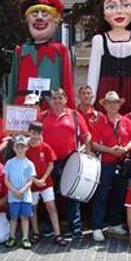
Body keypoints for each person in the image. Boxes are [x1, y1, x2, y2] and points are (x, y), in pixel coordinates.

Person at [86, 0, 131, 114]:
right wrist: (90, 102)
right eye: (111, 7)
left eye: (126, 5)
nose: (119, 11)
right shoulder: (99, 40)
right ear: (104, 14)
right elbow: (93, 75)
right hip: (107, 91)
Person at [38, 87, 91, 239]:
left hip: (70, 160)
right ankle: (50, 225)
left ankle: (75, 227)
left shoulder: (75, 115)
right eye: (55, 98)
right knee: (50, 195)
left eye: (61, 97)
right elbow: (34, 136)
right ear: (50, 100)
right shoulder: (42, 117)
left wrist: (87, 154)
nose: (57, 101)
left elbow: (86, 136)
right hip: (49, 162)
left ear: (66, 100)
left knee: (72, 194)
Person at [7, 0, 75, 110]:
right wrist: (10, 109)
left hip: (52, 106)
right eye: (34, 14)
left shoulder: (61, 51)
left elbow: (67, 84)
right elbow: (13, 84)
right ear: (27, 20)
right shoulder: (21, 51)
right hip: (24, 106)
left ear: (55, 20)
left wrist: (70, 112)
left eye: (45, 14)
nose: (39, 18)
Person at [88, 91, 131, 242]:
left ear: (118, 104)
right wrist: (109, 150)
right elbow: (94, 143)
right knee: (101, 195)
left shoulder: (126, 121)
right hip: (105, 163)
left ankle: (114, 223)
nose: (112, 105)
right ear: (105, 106)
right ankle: (97, 226)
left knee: (119, 193)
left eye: (115, 102)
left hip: (121, 162)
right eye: (109, 103)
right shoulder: (99, 122)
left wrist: (125, 149)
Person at [25, 121, 66, 246]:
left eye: (38, 133)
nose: (35, 136)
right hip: (32, 184)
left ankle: (57, 234)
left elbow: (51, 164)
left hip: (46, 183)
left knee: (51, 207)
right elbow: (23, 166)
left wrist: (43, 178)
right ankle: (36, 232)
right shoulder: (25, 148)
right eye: (33, 133)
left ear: (41, 133)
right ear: (29, 132)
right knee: (33, 208)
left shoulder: (45, 147)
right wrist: (34, 180)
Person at [4, 135, 36, 249]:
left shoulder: (29, 163)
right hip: (13, 196)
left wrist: (22, 190)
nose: (20, 149)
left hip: (25, 196)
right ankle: (11, 237)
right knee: (13, 217)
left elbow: (31, 180)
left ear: (27, 147)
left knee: (24, 217)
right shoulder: (9, 163)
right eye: (18, 146)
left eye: (22, 146)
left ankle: (25, 237)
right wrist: (13, 190)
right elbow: (6, 179)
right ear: (14, 148)